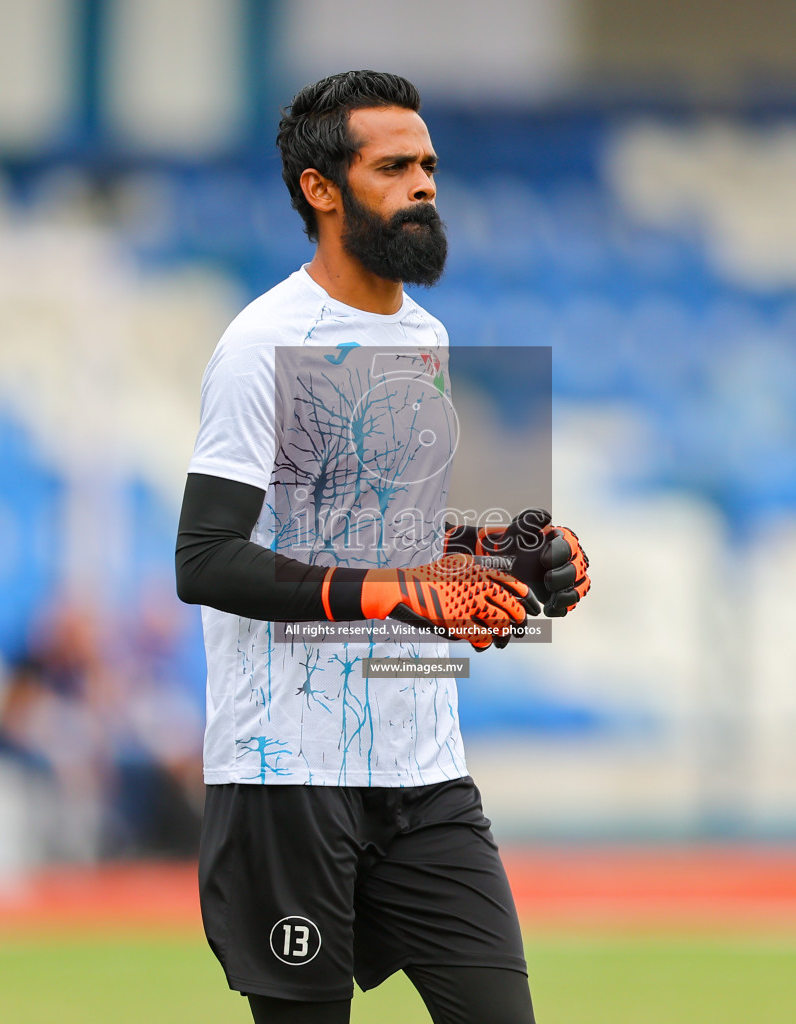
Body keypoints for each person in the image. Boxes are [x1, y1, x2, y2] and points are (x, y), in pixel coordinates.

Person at [175, 70, 591, 1024]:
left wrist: (511, 558)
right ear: (322, 189)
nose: (424, 185)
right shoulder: (258, 347)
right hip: (287, 778)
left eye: (430, 165)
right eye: (395, 165)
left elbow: (385, 533)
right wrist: (398, 591)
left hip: (424, 776)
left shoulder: (427, 335)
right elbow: (205, 558)